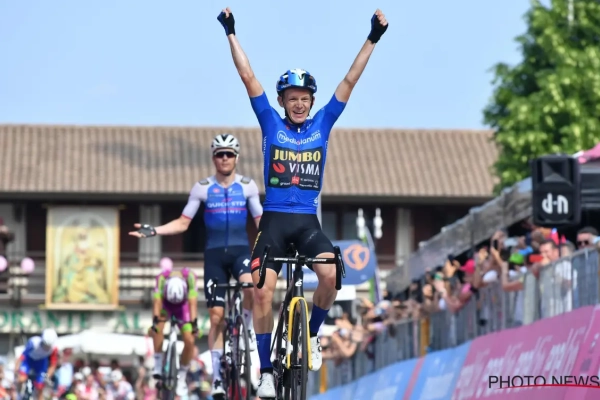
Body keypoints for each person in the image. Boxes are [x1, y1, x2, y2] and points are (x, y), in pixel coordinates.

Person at [216, 6, 388, 398]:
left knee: (330, 275)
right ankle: (265, 371)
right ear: (281, 101)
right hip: (275, 222)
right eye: (292, 98)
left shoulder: (323, 123)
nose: (299, 104)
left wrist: (373, 37)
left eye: (304, 98)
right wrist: (231, 32)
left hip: (307, 222)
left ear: (311, 101)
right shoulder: (270, 122)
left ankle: (310, 335)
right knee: (261, 290)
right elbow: (248, 76)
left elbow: (350, 79)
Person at [129, 133, 263, 397]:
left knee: (251, 287)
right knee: (216, 317)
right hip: (214, 256)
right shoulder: (202, 188)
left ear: (236, 158)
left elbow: (261, 221)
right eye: (220, 154)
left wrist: (279, 239)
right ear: (213, 158)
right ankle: (218, 379)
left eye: (229, 154)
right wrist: (154, 230)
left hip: (240, 252)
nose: (224, 158)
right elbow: (183, 223)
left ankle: (246, 328)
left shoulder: (248, 186)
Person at [15, 328, 59, 400]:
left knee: (40, 387)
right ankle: (18, 396)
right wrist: (16, 367)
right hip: (28, 361)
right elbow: (22, 356)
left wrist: (47, 376)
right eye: (45, 345)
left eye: (48, 346)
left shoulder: (54, 349)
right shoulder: (33, 342)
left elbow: (53, 365)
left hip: (41, 363)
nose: (46, 348)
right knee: (21, 379)